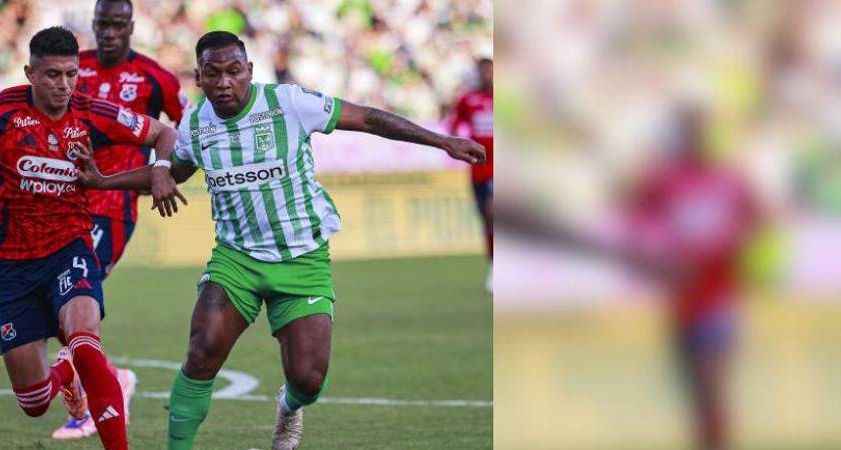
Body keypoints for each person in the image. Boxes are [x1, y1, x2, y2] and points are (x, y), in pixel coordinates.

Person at [74, 31, 484, 450]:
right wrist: (108, 180)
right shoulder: (196, 124)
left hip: (301, 258)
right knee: (201, 353)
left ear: (249, 71)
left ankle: (290, 407)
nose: (224, 82)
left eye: (234, 71)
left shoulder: (288, 104)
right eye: (212, 73)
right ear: (199, 77)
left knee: (308, 380)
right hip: (237, 261)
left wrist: (442, 141)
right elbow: (173, 174)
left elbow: (365, 118)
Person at [0, 27, 184, 450]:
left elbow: (162, 133)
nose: (63, 86)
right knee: (35, 401)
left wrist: (161, 167)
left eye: (71, 74)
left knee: (86, 343)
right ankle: (63, 374)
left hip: (70, 248)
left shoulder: (89, 110)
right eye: (52, 75)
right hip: (11, 264)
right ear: (30, 73)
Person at [498, 106, 759, 450]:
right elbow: (633, 216)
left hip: (717, 298)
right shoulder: (666, 181)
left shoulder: (729, 181)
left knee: (711, 390)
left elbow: (755, 229)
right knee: (697, 394)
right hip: (680, 302)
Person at [51, 0, 187, 440]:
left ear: (131, 26)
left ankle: (98, 396)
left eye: (117, 24)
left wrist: (162, 171)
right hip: (60, 201)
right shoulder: (73, 68)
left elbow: (186, 133)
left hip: (111, 208)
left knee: (72, 301)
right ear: (92, 25)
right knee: (55, 304)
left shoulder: (155, 77)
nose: (108, 32)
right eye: (101, 24)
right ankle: (112, 380)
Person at [447, 57, 494, 290]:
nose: (488, 75)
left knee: (493, 213)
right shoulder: (469, 100)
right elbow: (455, 126)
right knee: (487, 220)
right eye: (483, 71)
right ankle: (494, 265)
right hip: (479, 168)